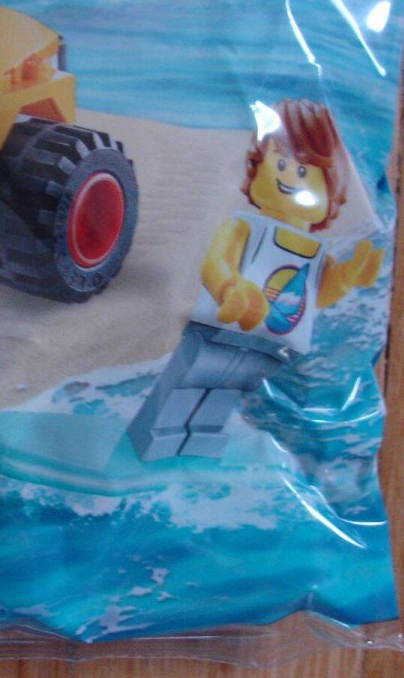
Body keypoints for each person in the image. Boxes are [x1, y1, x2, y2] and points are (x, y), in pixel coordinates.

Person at [128, 99, 383, 461]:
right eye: (279, 163)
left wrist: (345, 278)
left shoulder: (314, 251)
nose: (289, 177)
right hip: (220, 327)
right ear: (256, 168)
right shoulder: (245, 227)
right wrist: (230, 287)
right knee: (190, 382)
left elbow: (313, 297)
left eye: (304, 171)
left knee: (225, 393)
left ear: (332, 185)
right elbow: (217, 262)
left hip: (269, 342)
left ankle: (197, 447)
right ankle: (153, 440)